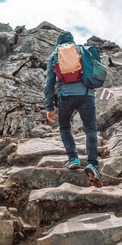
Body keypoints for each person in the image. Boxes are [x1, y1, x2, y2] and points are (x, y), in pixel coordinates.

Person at [44, 31, 103, 188]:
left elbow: (49, 83)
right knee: (90, 128)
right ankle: (92, 164)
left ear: (58, 43)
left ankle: (73, 159)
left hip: (66, 96)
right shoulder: (81, 50)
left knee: (64, 127)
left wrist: (50, 107)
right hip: (86, 95)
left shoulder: (55, 55)